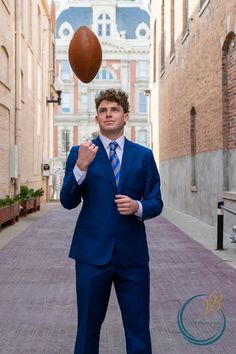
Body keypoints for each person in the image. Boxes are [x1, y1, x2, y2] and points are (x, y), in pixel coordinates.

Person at [60, 88, 163, 354]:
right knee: (87, 328)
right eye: (103, 111)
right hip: (92, 255)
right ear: (96, 118)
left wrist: (138, 206)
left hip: (133, 257)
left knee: (138, 327)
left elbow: (156, 201)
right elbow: (67, 201)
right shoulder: (80, 152)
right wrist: (80, 167)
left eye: (114, 109)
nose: (108, 115)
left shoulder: (143, 155)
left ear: (126, 115)